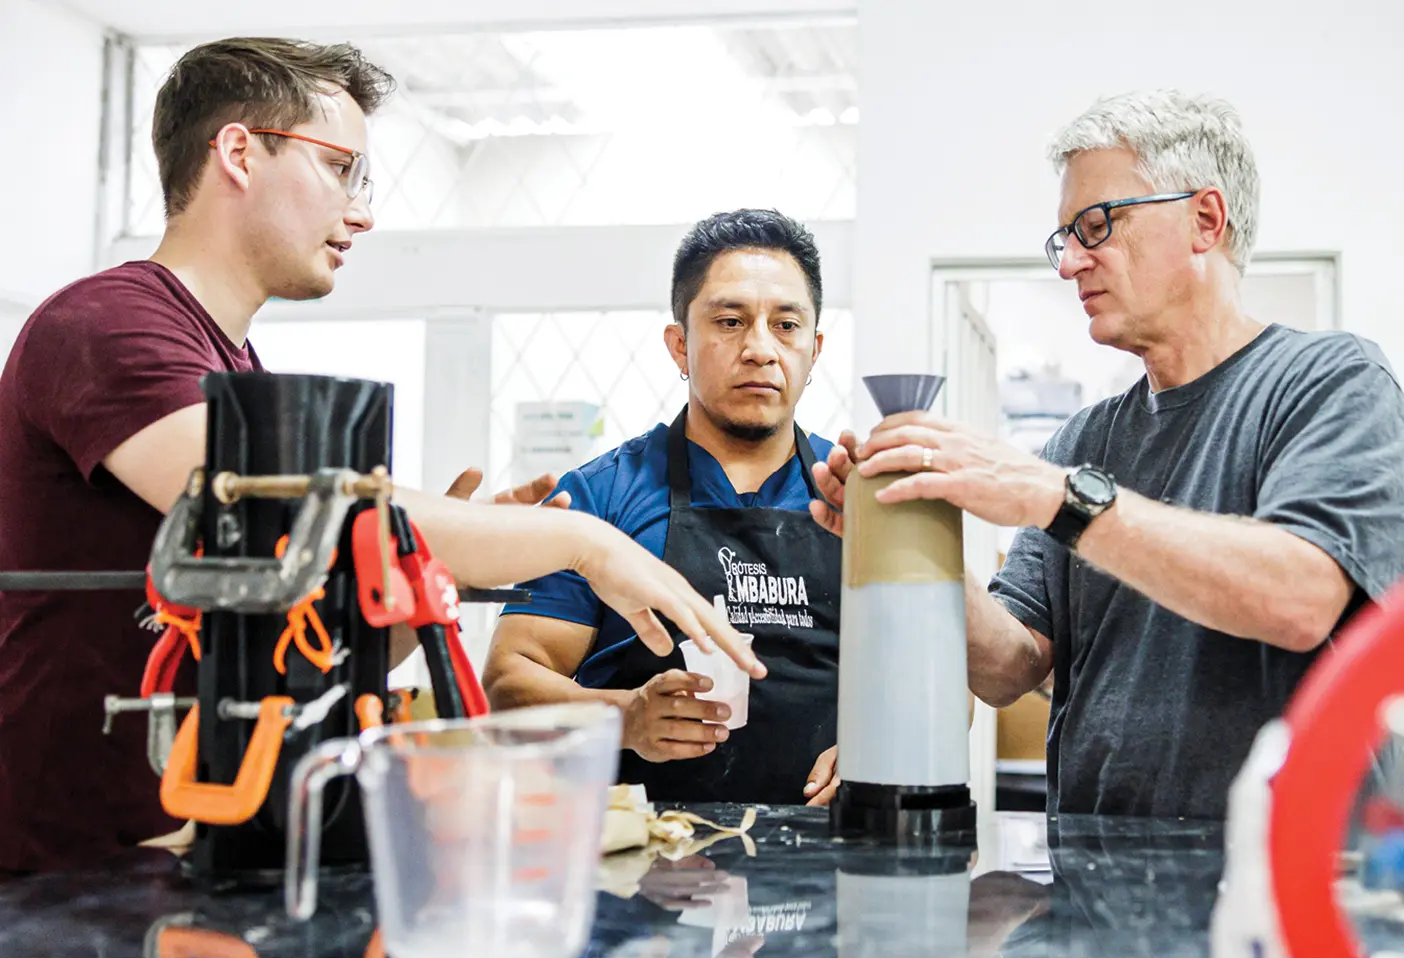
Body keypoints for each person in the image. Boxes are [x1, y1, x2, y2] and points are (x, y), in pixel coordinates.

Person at [0, 37, 751, 874]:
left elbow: (301, 645)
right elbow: (277, 500)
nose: (361, 212)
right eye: (342, 169)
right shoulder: (107, 328)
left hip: (185, 847)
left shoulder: (237, 375)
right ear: (240, 152)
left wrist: (430, 573)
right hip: (61, 870)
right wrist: (583, 542)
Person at [810, 90, 1404, 819]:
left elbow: (1302, 598)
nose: (1071, 265)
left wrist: (1057, 496)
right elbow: (1011, 666)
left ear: (1205, 220)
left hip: (1270, 895)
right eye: (1066, 237)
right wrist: (909, 547)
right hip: (1093, 879)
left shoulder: (1330, 381)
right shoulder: (1084, 440)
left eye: (1097, 225)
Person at [484, 209, 842, 805]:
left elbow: (942, 680)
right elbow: (507, 680)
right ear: (679, 345)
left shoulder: (854, 497)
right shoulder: (597, 496)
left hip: (828, 864)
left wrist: (879, 743)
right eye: (729, 321)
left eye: (785, 325)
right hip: (640, 867)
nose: (760, 349)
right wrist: (623, 716)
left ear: (814, 347)